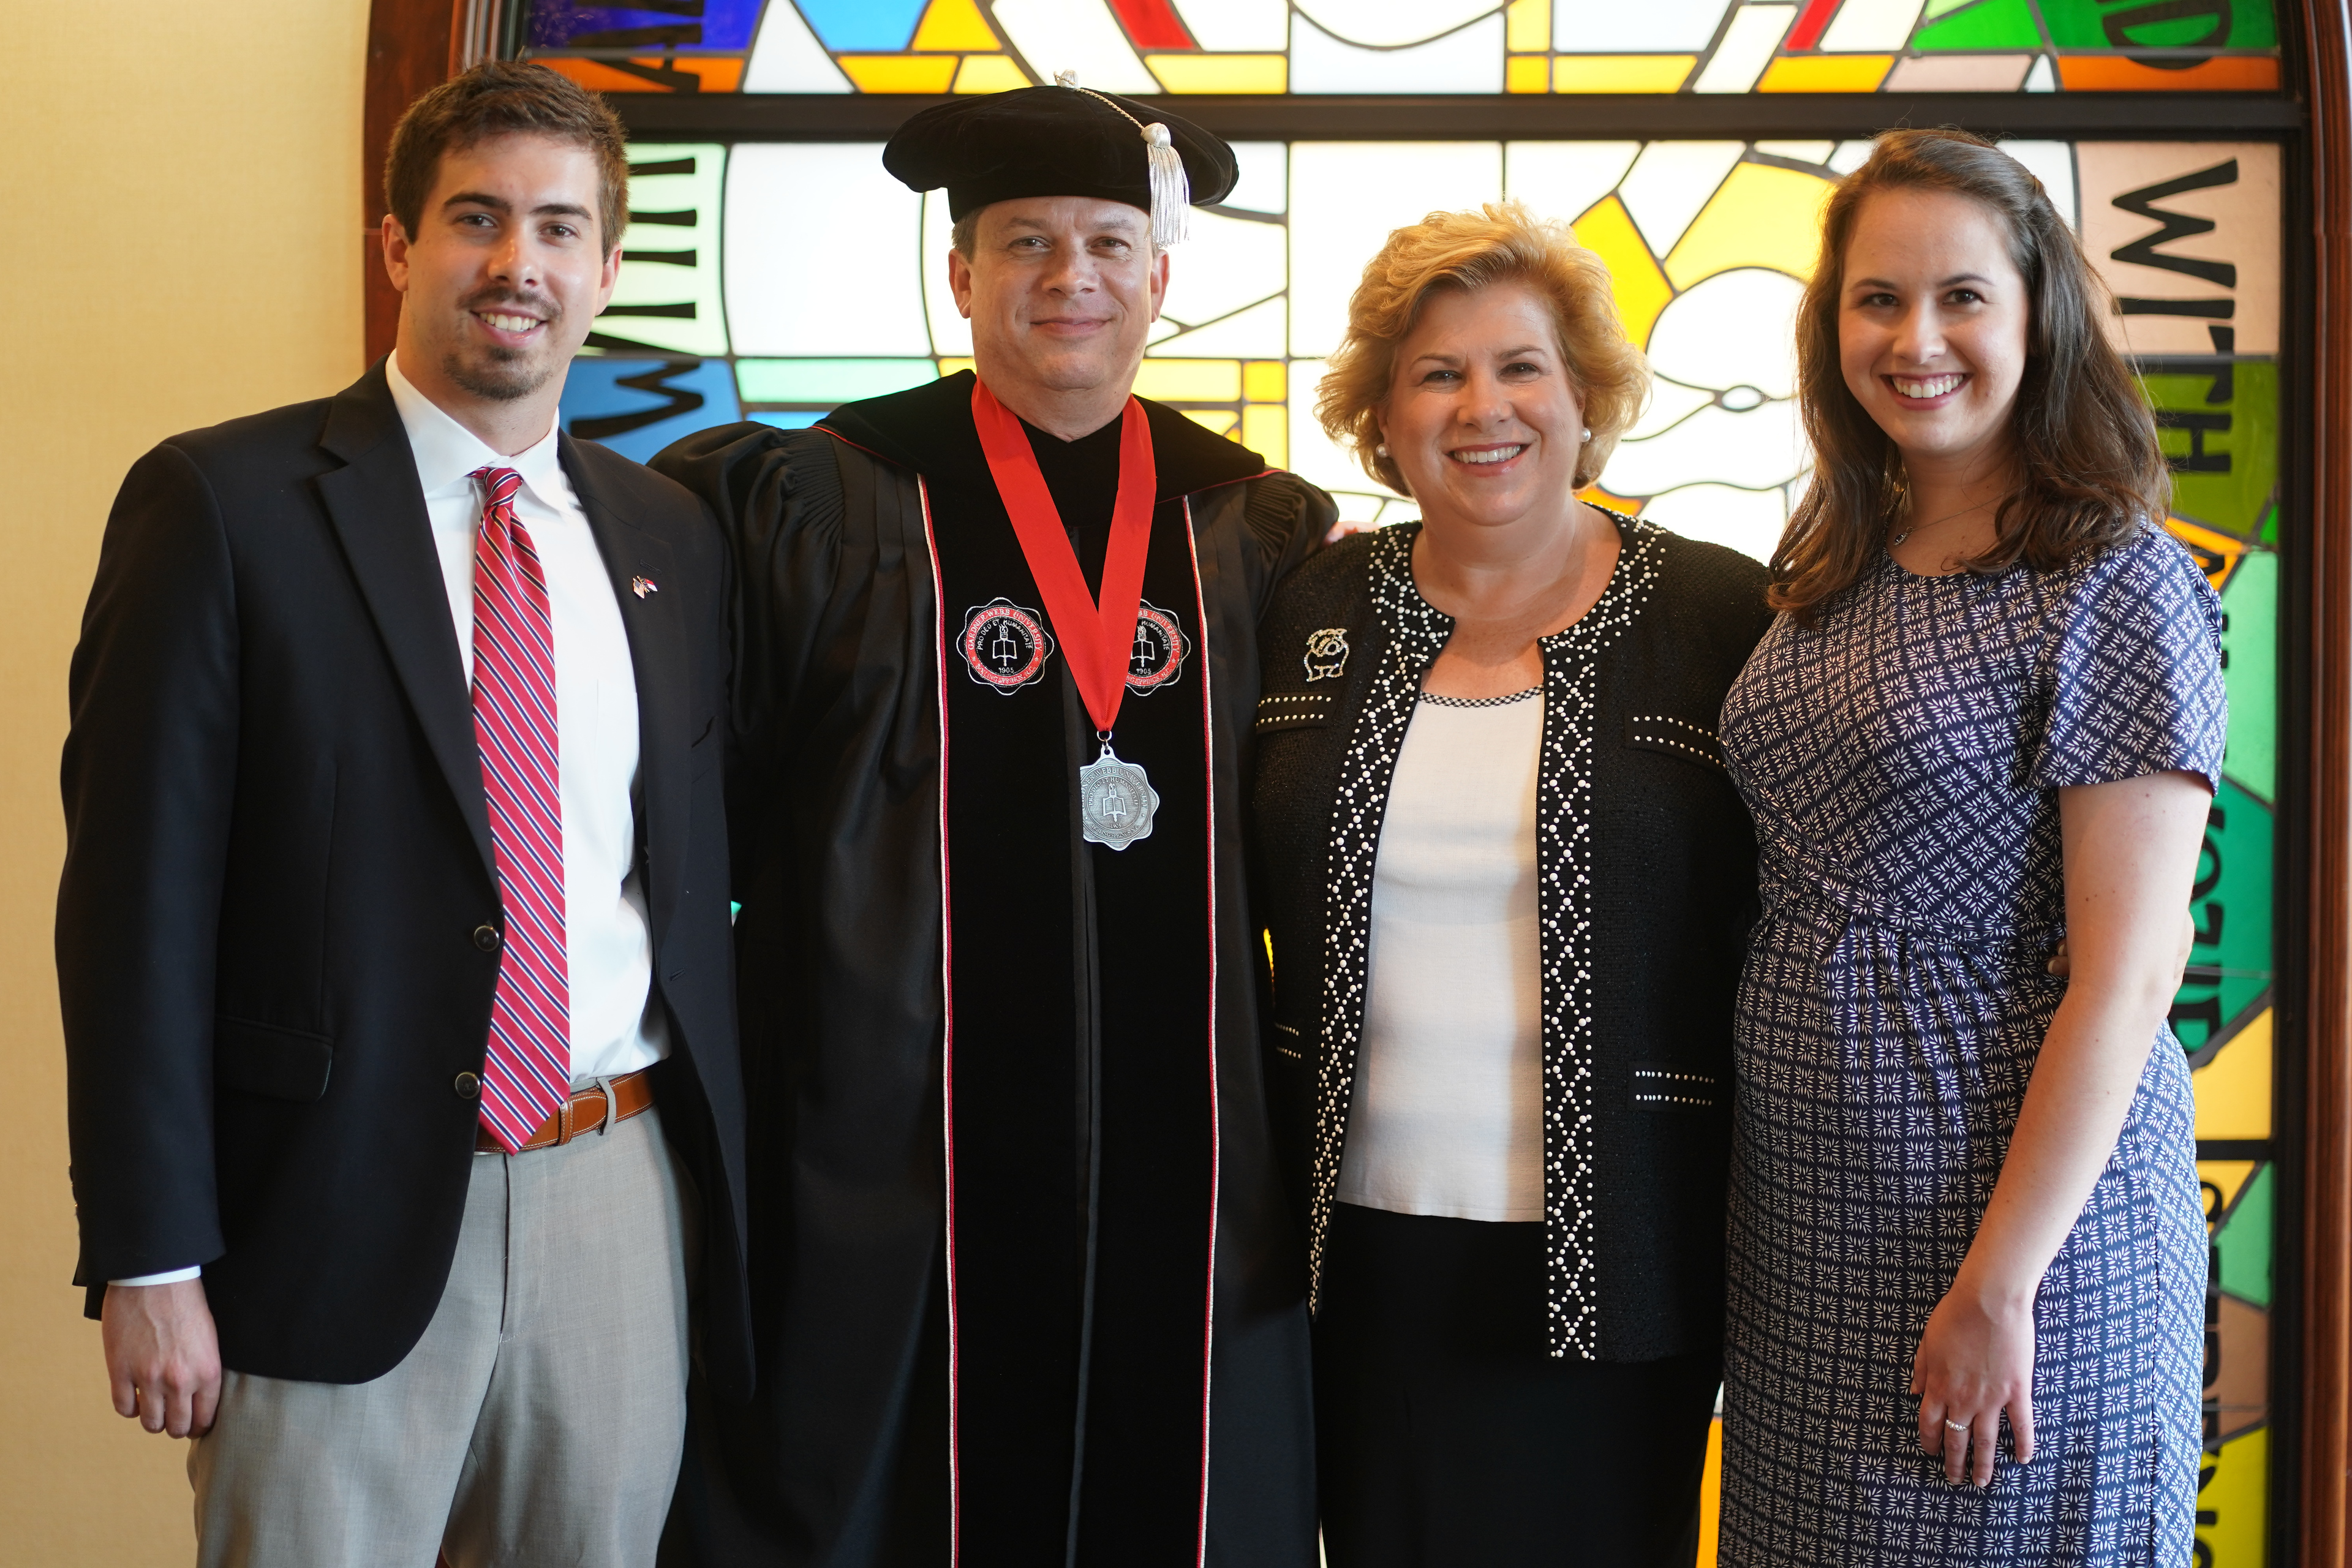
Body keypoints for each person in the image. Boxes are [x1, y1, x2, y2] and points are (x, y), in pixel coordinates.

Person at [56, 62, 748, 1567]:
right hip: (322, 1205)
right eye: (477, 219)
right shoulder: (224, 507)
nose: (519, 266)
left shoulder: (665, 536)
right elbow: (133, 910)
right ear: (399, 245)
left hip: (614, 1196)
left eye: (562, 229)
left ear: (609, 267)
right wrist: (150, 1253)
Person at [647, 84, 1335, 1567]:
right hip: (894, 1142)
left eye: (1105, 243)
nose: (1068, 278)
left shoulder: (1256, 527)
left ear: (1160, 276)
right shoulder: (819, 501)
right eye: (1025, 242)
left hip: (1197, 1156)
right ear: (960, 275)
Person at [1716, 129, 2221, 1564]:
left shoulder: (2112, 576)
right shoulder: (1832, 553)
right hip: (1816, 1223)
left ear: (2037, 312)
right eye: (1878, 299)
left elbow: (2125, 980)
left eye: (1961, 297)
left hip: (2015, 1227)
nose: (1915, 338)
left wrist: (2001, 1283)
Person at [1248, 202, 1773, 1564]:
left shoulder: (1723, 614)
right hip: (1349, 1261)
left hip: (1624, 1249)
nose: (1483, 407)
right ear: (1383, 413)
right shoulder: (1309, 603)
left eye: (1520, 367)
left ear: (1586, 396)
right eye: (1437, 374)